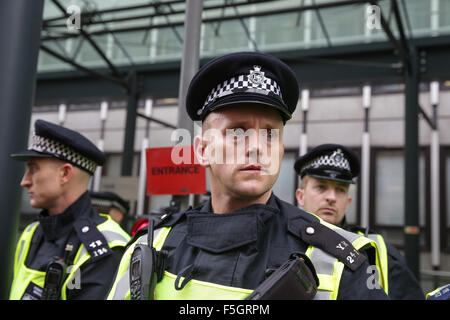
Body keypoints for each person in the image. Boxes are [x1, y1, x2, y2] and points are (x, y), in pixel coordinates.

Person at [107, 52, 388, 300]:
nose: (255, 147)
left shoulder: (339, 256)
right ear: (202, 150)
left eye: (269, 133)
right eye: (236, 132)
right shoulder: (148, 245)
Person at [9, 119, 130, 300]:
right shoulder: (31, 232)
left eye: (33, 169)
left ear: (65, 174)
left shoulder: (107, 247)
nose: (25, 181)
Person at [294, 143, 425, 299]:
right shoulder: (276, 238)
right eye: (321, 187)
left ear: (348, 202)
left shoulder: (374, 248)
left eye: (340, 190)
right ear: (300, 196)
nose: (332, 198)